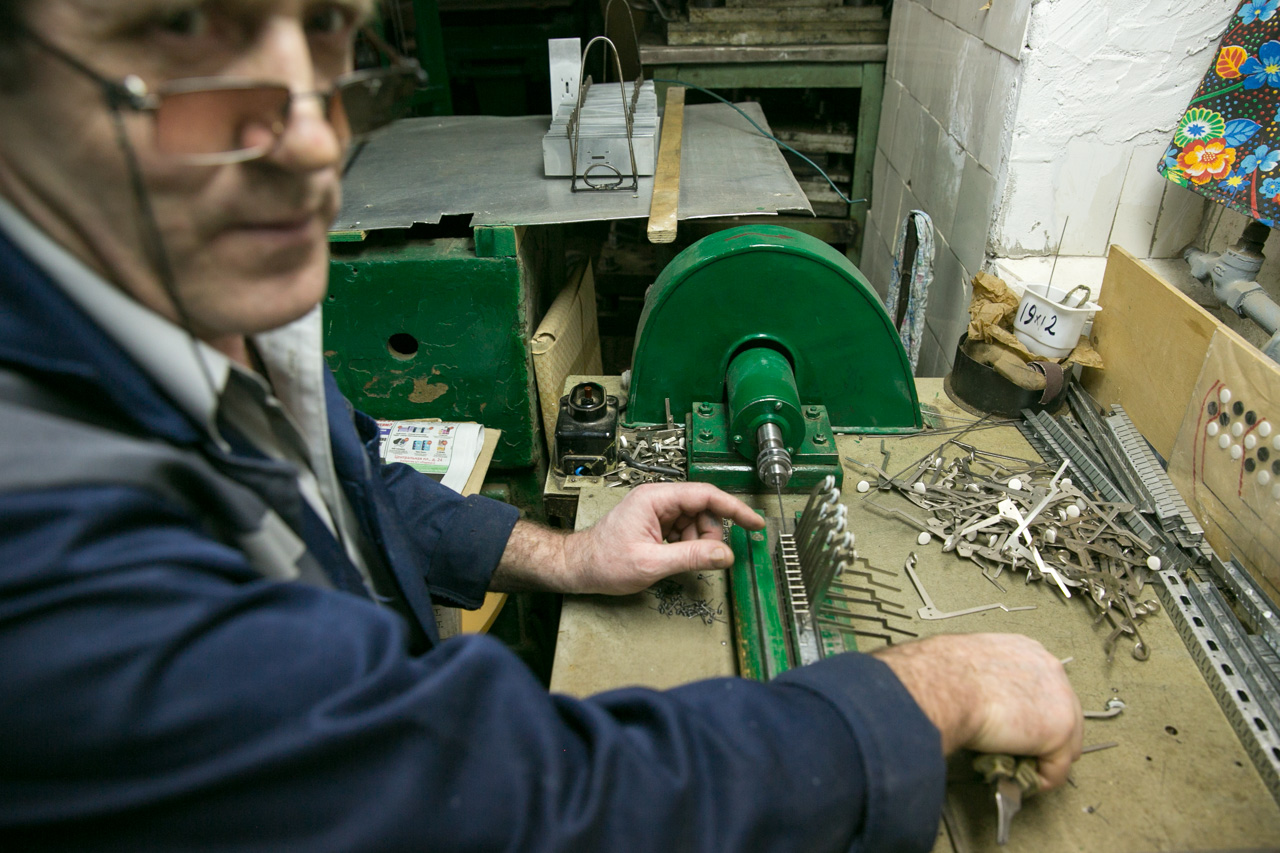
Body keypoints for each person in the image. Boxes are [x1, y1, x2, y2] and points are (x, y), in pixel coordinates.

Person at [0, 1, 1083, 850]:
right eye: (182, 31)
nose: (308, 136)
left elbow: (354, 479)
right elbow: (505, 811)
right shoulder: (47, 525)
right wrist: (925, 692)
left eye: (325, 33)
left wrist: (565, 553)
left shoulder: (172, 300)